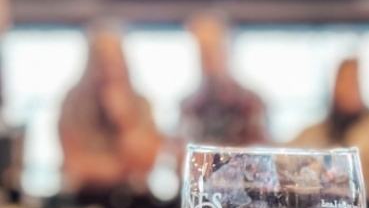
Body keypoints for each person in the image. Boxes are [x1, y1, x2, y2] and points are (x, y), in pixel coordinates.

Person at [59, 25, 160, 193]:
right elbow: (73, 165)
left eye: (114, 60)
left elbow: (147, 163)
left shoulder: (141, 104)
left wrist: (124, 119)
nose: (108, 70)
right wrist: (122, 169)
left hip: (133, 201)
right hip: (84, 198)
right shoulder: (73, 104)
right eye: (101, 61)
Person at [289, 58, 369, 205]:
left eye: (353, 81)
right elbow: (288, 161)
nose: (347, 88)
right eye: (342, 80)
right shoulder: (315, 131)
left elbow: (359, 169)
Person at [180, 12, 268, 147]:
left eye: (212, 48)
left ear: (227, 49)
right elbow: (182, 154)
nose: (207, 57)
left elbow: (261, 154)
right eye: (202, 49)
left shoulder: (250, 104)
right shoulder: (189, 107)